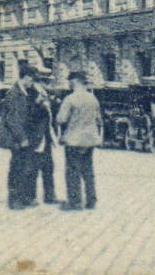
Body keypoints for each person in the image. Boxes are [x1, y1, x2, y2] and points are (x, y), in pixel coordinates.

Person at [55, 71, 102, 211]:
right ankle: (91, 200)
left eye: (70, 81)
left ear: (75, 81)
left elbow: (61, 119)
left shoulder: (70, 99)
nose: (69, 84)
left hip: (74, 140)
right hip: (90, 140)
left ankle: (75, 202)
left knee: (72, 171)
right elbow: (98, 119)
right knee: (88, 170)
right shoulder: (93, 99)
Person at [0, 68, 39, 209]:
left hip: (22, 137)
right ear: (26, 77)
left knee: (24, 167)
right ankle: (14, 200)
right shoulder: (14, 93)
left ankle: (23, 197)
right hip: (16, 138)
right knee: (16, 168)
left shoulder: (24, 93)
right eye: (32, 80)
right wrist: (22, 138)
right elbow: (11, 119)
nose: (32, 83)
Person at [30, 78, 59, 204]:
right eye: (47, 81)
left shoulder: (45, 95)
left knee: (48, 167)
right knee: (33, 168)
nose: (49, 85)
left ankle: (50, 196)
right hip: (36, 137)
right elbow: (29, 114)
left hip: (46, 137)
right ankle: (30, 197)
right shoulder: (32, 93)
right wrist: (38, 104)